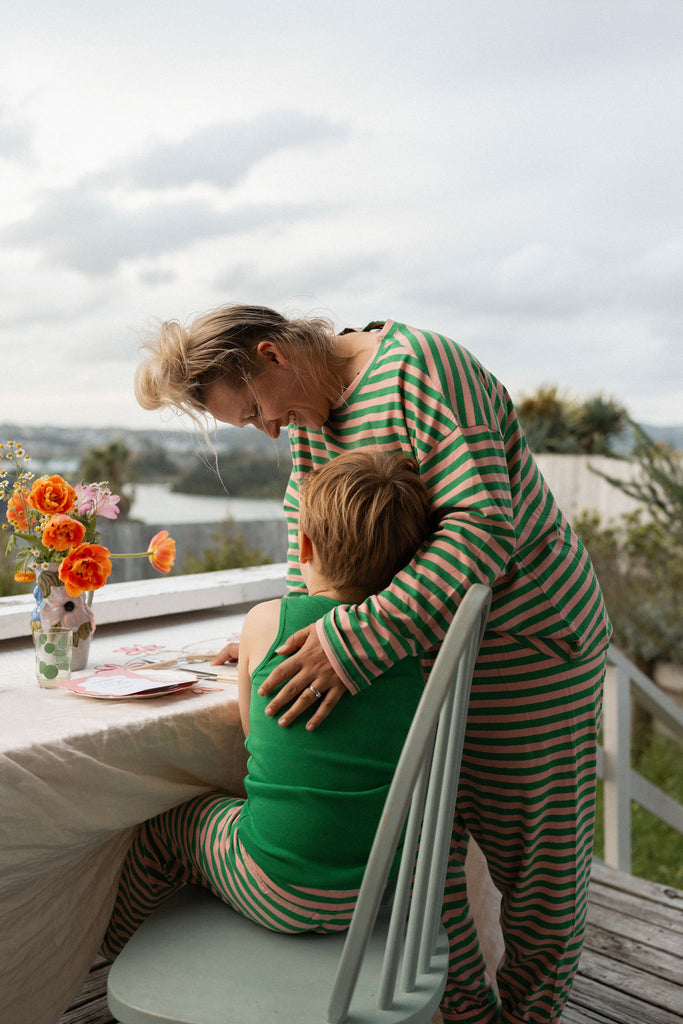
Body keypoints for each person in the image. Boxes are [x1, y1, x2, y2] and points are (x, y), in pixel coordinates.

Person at [134, 306, 611, 1024]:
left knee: (536, 874)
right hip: (415, 667)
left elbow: (483, 531)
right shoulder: (310, 422)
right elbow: (316, 549)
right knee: (424, 871)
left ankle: (528, 1016)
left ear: (272, 355)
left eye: (257, 411)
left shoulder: (420, 370)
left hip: (525, 654)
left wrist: (347, 643)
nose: (269, 429)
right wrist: (294, 635)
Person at [100, 448, 433, 959]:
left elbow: (253, 736)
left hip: (275, 889)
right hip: (372, 891)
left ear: (304, 545)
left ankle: (116, 952)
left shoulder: (265, 621)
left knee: (167, 823)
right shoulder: (408, 646)